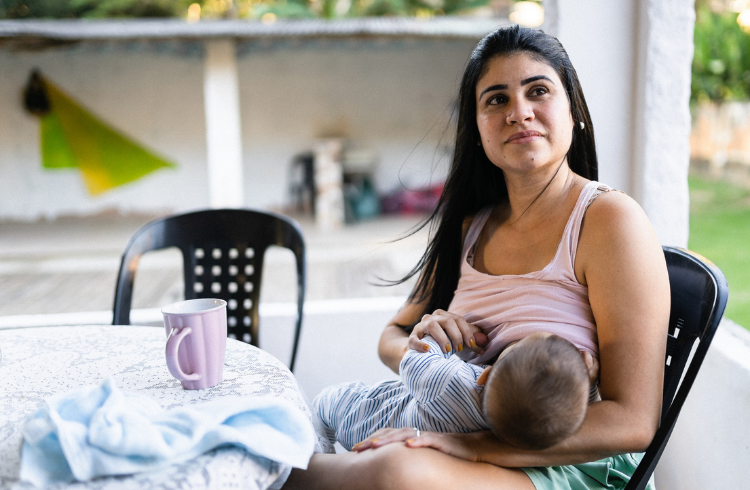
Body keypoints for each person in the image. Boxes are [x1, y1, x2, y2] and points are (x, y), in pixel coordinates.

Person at [283, 24, 669, 490]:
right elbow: (392, 337)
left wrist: (475, 446)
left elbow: (633, 422)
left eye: (538, 91)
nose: (519, 112)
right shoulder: (470, 227)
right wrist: (426, 344)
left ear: (574, 111)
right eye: (496, 99)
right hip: (458, 440)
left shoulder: (608, 221)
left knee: (393, 471)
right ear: (479, 128)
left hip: (570, 465)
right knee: (301, 442)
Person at [315, 332, 598, 452]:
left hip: (359, 414)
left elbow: (413, 360)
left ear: (485, 373)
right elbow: (560, 407)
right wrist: (588, 383)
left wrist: (451, 342)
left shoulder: (452, 381)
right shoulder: (513, 430)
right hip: (382, 444)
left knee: (321, 409)